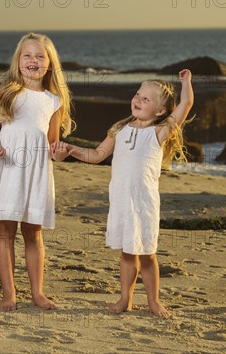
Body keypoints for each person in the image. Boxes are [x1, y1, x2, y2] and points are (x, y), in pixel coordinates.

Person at [52, 71, 194, 318]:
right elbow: (97, 155)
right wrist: (72, 148)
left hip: (144, 204)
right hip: (120, 202)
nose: (138, 100)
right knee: (127, 253)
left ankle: (153, 301)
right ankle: (125, 299)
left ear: (160, 111)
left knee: (147, 254)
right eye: (137, 95)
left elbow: (186, 104)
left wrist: (186, 83)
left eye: (146, 99)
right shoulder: (119, 129)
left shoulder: (159, 132)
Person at [0, 32, 73, 311]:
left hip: (37, 172)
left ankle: (37, 293)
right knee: (5, 232)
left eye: (40, 56)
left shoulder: (54, 100)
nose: (34, 60)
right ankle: (9, 293)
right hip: (8, 167)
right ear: (18, 61)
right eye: (27, 55)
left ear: (49, 64)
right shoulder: (6, 92)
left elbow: (53, 142)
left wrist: (60, 153)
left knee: (34, 233)